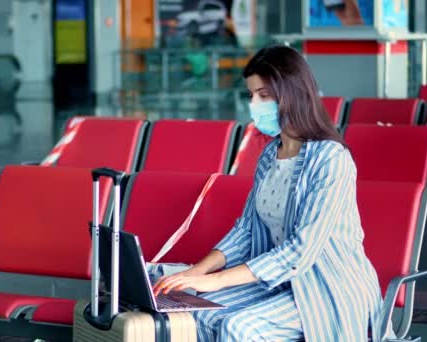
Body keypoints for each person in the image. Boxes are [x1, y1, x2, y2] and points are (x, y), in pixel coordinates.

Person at [152, 45, 383, 341]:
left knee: (239, 328)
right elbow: (246, 230)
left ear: (292, 94)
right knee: (199, 312)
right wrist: (198, 272)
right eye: (251, 96)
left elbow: (300, 251)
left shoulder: (331, 159)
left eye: (264, 95)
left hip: (326, 286)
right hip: (279, 282)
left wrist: (218, 280)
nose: (255, 105)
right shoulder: (270, 155)